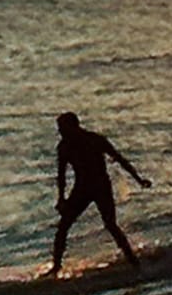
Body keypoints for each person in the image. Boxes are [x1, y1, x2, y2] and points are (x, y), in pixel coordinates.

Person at [50, 111, 151, 271]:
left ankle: (133, 262)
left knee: (110, 224)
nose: (60, 132)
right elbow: (61, 175)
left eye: (63, 128)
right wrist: (61, 199)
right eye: (59, 129)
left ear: (74, 127)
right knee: (63, 226)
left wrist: (138, 179)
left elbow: (119, 158)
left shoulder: (95, 140)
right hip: (81, 188)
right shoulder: (64, 147)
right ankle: (56, 267)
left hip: (101, 187)